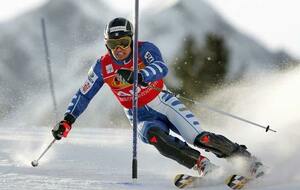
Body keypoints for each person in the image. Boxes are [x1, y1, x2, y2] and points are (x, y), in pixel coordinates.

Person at [51, 17, 259, 177]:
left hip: (164, 103)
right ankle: (203, 166)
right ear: (107, 46)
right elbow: (83, 94)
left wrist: (140, 75)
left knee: (200, 138)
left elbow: (161, 68)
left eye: (124, 42)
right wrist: (68, 120)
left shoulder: (145, 50)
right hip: (140, 117)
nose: (120, 49)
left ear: (131, 39)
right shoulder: (102, 67)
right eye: (114, 46)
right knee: (155, 137)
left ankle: (246, 160)